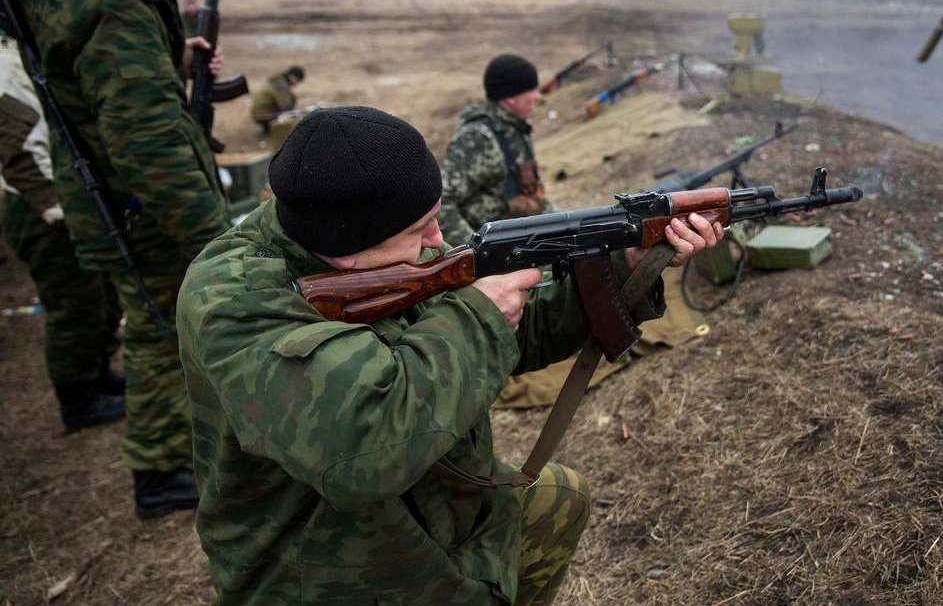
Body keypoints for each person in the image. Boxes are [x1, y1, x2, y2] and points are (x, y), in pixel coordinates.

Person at [177, 106, 723, 604]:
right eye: (420, 229)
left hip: (443, 508)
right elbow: (363, 448)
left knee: (560, 497)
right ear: (347, 249)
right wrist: (479, 315)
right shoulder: (232, 299)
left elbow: (509, 338)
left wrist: (628, 266)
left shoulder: (388, 253)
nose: (439, 238)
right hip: (323, 569)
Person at [18, 0, 230, 519]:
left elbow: (86, 80)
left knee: (149, 323)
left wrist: (170, 55)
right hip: (141, 209)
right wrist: (214, 237)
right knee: (163, 331)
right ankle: (161, 470)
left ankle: (166, 457)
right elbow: (146, 142)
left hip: (110, 197)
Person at [1, 0, 124, 433]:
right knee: (72, 304)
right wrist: (59, 209)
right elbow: (20, 152)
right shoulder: (6, 61)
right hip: (40, 206)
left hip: (62, 200)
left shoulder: (25, 50)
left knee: (96, 297)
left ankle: (97, 375)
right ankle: (78, 398)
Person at [440, 53, 553, 246]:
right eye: (531, 90)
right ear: (510, 98)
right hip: (494, 258)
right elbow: (441, 205)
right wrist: (475, 251)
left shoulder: (516, 130)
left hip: (521, 244)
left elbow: (534, 195)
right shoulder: (477, 138)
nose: (538, 96)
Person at [249, 65, 304, 137]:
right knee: (291, 113)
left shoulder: (277, 80)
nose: (297, 84)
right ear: (293, 77)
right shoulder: (281, 85)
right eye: (298, 81)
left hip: (258, 112)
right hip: (262, 115)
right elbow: (285, 106)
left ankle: (267, 129)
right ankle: (270, 130)